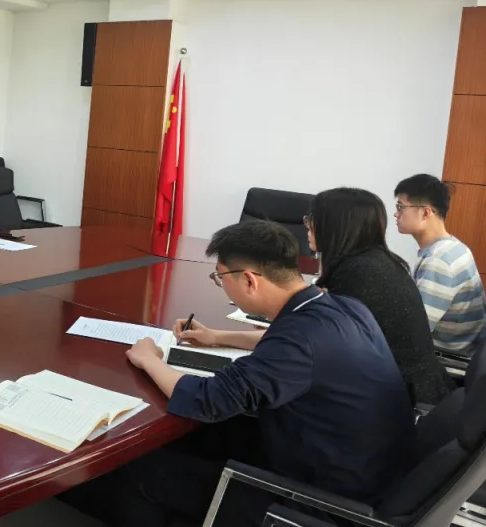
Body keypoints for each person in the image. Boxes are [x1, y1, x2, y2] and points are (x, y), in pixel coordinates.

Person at [99, 220, 413, 527]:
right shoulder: (344, 307)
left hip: (317, 502)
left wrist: (150, 359)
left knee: (142, 471)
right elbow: (287, 341)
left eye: (220, 278)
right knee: (202, 440)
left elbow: (205, 400)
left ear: (250, 280)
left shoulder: (297, 342)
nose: (222, 286)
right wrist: (217, 336)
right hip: (367, 478)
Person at [306, 188, 453, 405]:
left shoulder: (359, 273)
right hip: (411, 388)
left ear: (335, 226)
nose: (308, 225)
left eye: (314, 219)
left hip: (398, 399)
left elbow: (320, 346)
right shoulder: (377, 261)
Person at [395, 173, 485, 354]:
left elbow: (414, 331)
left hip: (448, 359)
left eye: (401, 207)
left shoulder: (439, 261)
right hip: (461, 351)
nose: (396, 214)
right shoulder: (455, 247)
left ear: (426, 212)